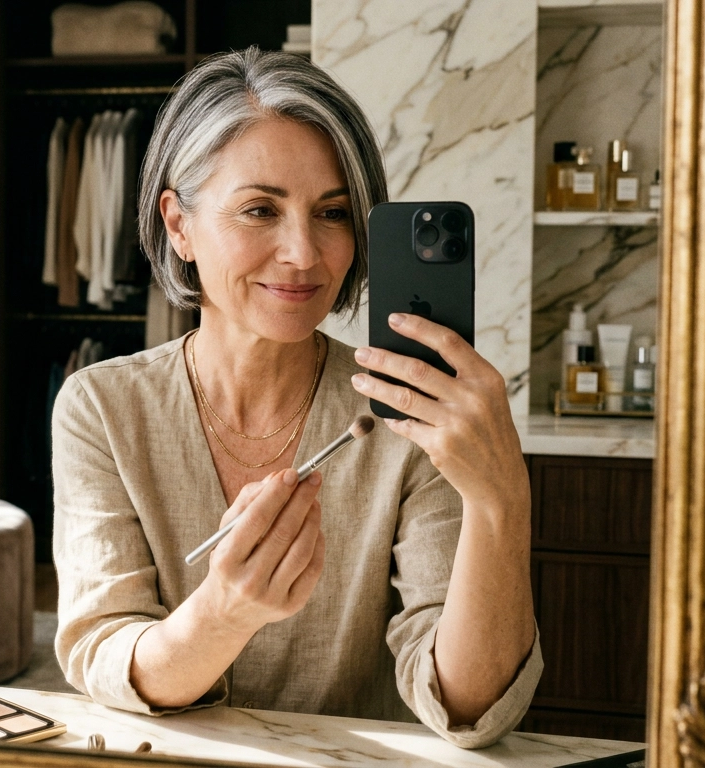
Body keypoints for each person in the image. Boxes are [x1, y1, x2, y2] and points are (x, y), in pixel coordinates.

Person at [51, 47, 540, 749]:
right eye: (259, 209)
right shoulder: (101, 406)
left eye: (334, 212)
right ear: (179, 225)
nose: (305, 253)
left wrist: (501, 501)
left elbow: (470, 708)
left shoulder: (412, 413)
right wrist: (224, 612)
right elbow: (104, 655)